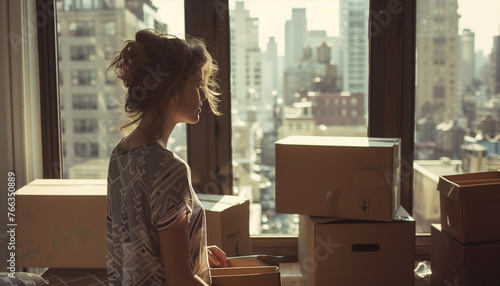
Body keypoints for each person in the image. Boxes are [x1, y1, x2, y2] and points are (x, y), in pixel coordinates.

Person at [106, 29, 229, 286]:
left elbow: (138, 246)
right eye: (196, 85)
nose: (202, 96)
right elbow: (179, 279)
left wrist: (193, 249)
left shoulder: (119, 155)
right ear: (172, 93)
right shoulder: (169, 169)